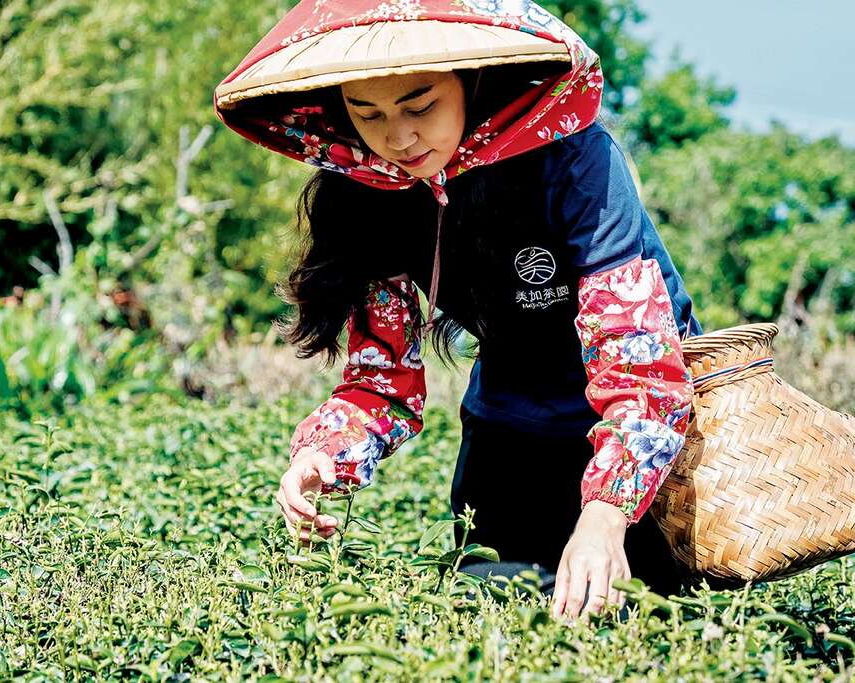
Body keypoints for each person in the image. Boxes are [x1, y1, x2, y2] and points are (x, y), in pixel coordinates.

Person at [214, 0, 701, 620]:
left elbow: (640, 368)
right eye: (368, 114)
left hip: (646, 442)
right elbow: (381, 382)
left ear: (471, 80)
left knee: (656, 621)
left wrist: (606, 515)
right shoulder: (370, 196)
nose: (399, 138)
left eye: (421, 106)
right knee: (494, 611)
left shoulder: (575, 161)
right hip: (509, 427)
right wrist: (323, 457)